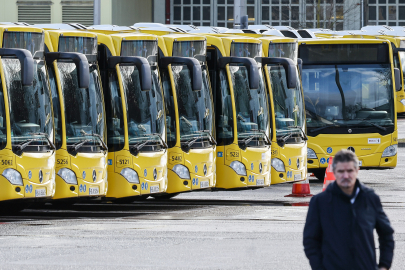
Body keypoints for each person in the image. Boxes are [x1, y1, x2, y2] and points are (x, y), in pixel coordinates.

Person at [303, 149, 394, 270]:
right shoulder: (320, 202)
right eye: (341, 171)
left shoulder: (370, 198)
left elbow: (386, 234)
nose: (346, 176)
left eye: (350, 171)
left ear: (357, 170)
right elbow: (310, 241)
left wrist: (384, 265)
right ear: (334, 172)